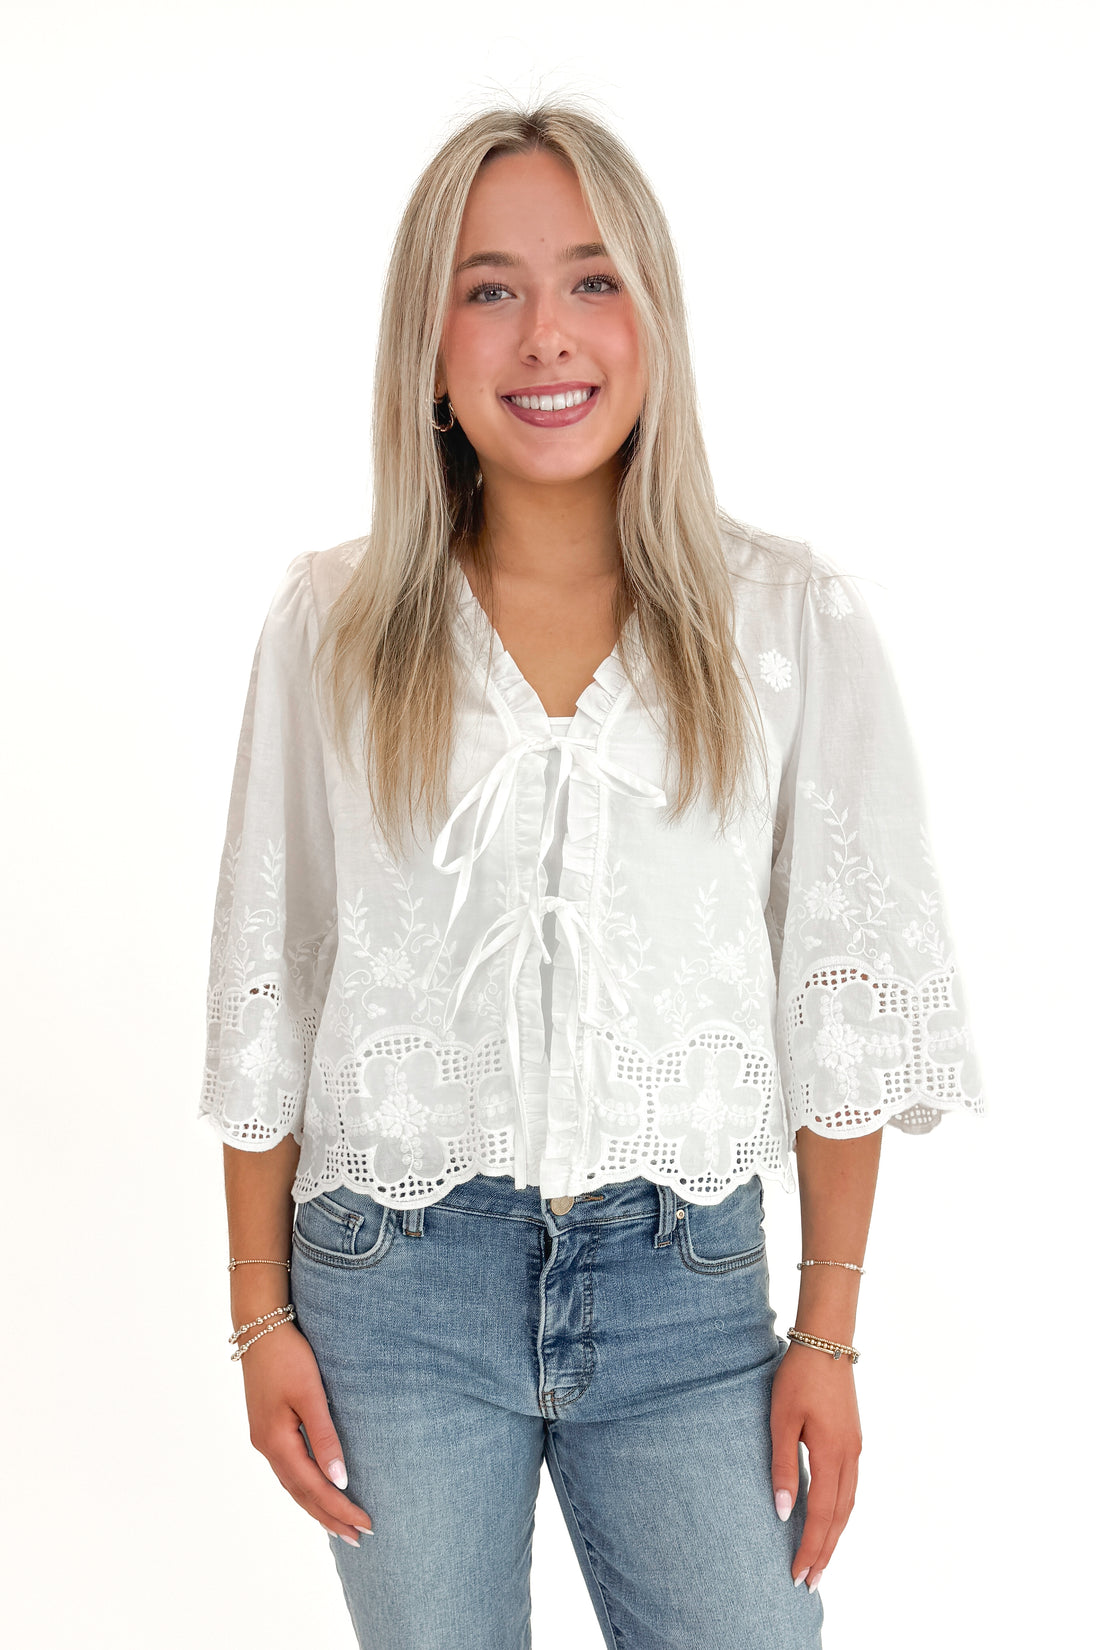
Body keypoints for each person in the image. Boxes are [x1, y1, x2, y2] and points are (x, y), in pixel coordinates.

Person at [198, 100, 984, 1650]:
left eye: (592, 280)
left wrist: (826, 1330)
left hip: (688, 1292)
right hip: (393, 1290)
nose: (544, 335)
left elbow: (836, 992)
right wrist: (258, 1316)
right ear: (428, 343)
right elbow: (269, 986)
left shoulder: (787, 624)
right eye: (489, 287)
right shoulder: (332, 631)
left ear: (655, 321)